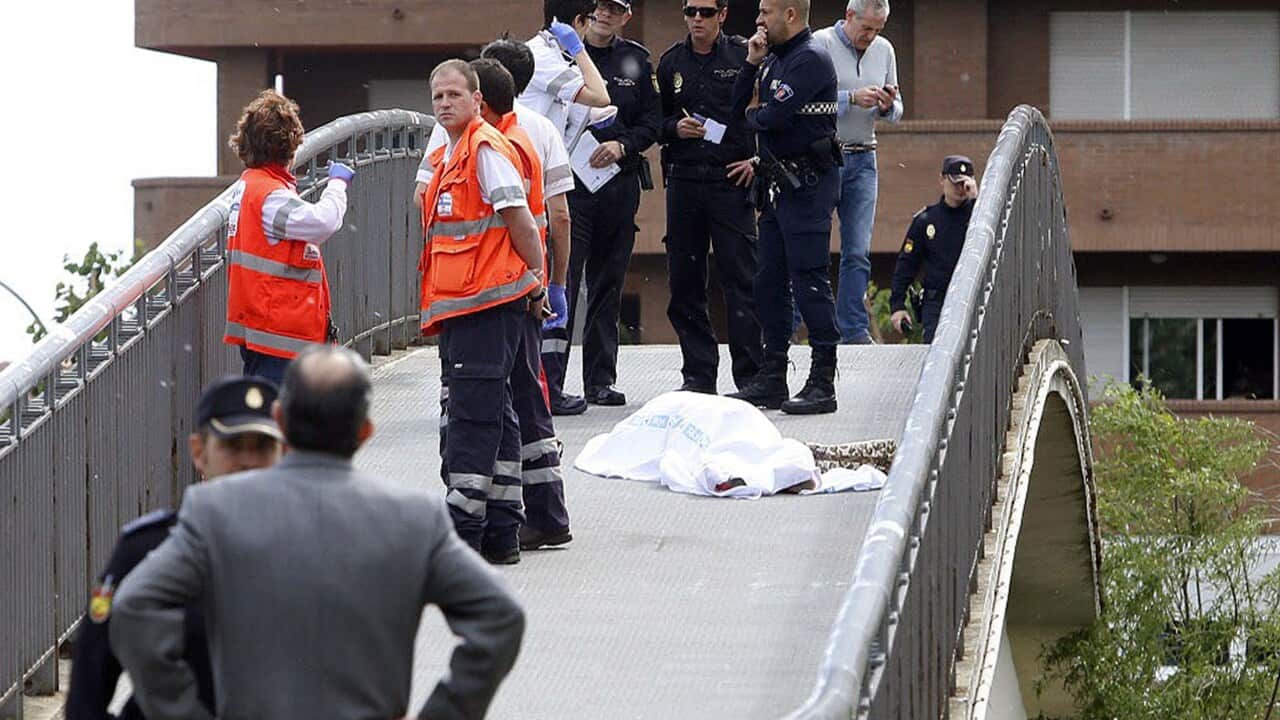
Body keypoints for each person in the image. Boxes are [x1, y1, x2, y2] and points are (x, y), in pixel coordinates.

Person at [109, 346, 526, 720]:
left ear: (279, 420)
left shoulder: (216, 510)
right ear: (365, 431)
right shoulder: (415, 519)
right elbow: (501, 615)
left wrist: (180, 710)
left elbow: (133, 606)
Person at [66, 377, 283, 720]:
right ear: (199, 452)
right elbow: (88, 689)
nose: (248, 462)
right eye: (233, 445)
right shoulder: (146, 549)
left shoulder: (304, 549)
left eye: (263, 447)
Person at [419, 59, 548, 561]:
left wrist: (535, 280)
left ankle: (464, 534)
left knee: (472, 422)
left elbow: (520, 217)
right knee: (498, 416)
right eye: (437, 98)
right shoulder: (453, 153)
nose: (445, 104)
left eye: (454, 95)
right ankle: (500, 533)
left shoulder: (483, 149)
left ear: (477, 100)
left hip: (485, 305)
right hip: (467, 307)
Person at [728, 0, 843, 415]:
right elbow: (737, 110)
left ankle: (822, 382)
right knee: (768, 282)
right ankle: (773, 376)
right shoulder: (774, 60)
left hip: (808, 187)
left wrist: (755, 113)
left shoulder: (809, 58)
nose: (758, 21)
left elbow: (771, 117)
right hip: (779, 187)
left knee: (810, 280)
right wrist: (749, 66)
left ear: (790, 15)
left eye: (765, 13)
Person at [551, 0, 661, 408]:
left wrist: (622, 145)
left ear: (625, 16)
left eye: (614, 9)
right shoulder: (560, 57)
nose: (604, 14)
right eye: (598, 6)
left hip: (617, 184)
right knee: (562, 281)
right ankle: (552, 381)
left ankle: (600, 380)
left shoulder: (635, 60)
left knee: (607, 284)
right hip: (569, 189)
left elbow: (653, 123)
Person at [656, 0, 764, 395]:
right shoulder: (670, 63)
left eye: (705, 12)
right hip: (684, 179)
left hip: (730, 179)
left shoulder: (744, 56)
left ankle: (751, 376)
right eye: (690, 12)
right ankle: (698, 376)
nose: (696, 19)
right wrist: (674, 128)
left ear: (722, 14)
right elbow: (656, 121)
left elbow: (766, 114)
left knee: (741, 278)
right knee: (684, 280)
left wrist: (757, 160)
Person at [222, 90, 355, 386]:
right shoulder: (271, 196)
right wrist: (337, 184)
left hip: (260, 332)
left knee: (268, 420)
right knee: (285, 424)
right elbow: (324, 221)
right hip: (281, 338)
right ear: (291, 146)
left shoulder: (248, 188)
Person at [521, 0, 614, 416]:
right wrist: (579, 50)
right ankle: (541, 387)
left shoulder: (550, 57)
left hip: (544, 184)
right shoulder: (545, 58)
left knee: (551, 287)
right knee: (543, 286)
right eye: (589, 20)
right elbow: (599, 93)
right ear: (575, 22)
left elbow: (597, 108)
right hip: (532, 189)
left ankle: (547, 385)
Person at [813, 0, 903, 344]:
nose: (871, 36)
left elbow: (897, 111)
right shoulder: (820, 44)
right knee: (812, 246)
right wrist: (850, 98)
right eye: (867, 28)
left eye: (878, 29)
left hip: (865, 157)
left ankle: (852, 330)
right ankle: (800, 327)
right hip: (826, 156)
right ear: (849, 16)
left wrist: (886, 105)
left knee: (857, 250)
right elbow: (806, 104)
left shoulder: (885, 50)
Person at [890, 154, 978, 343]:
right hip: (936, 302)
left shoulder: (979, 217)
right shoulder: (926, 220)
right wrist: (897, 306)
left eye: (964, 183)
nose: (959, 188)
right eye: (955, 182)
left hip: (971, 300)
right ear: (942, 179)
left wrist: (977, 200)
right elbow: (906, 265)